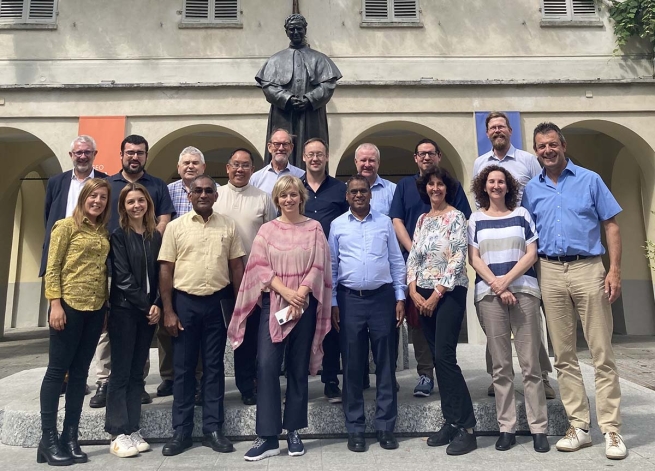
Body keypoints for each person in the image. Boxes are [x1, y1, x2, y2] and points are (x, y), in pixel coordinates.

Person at [522, 122, 626, 460]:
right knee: (564, 355)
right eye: (541, 146)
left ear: (563, 145)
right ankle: (579, 426)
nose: (547, 150)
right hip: (549, 270)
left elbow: (611, 225)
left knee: (601, 352)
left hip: (588, 267)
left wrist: (614, 270)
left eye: (552, 144)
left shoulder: (590, 179)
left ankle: (611, 429)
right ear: (536, 151)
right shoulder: (531, 189)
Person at [228, 175, 332, 461]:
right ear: (277, 199)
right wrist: (287, 293)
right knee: (266, 366)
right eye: (283, 195)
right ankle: (268, 436)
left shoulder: (314, 228)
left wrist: (301, 294)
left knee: (298, 368)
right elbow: (260, 267)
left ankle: (294, 431)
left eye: (293, 194)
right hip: (274, 304)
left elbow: (319, 264)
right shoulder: (267, 230)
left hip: (304, 305)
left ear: (301, 197)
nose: (288, 199)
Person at [158, 175, 245, 457]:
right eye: (198, 191)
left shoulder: (228, 225)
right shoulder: (175, 227)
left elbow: (236, 267)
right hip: (185, 303)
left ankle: (213, 429)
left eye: (209, 191)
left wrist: (238, 308)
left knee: (214, 368)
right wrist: (168, 310)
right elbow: (166, 269)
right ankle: (181, 431)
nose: (204, 195)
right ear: (190, 195)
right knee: (183, 369)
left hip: (217, 303)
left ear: (216, 196)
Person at [472, 112, 555, 400]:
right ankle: (497, 376)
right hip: (493, 247)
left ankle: (541, 376)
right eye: (492, 127)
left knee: (530, 318)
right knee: (493, 320)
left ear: (510, 130)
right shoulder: (480, 163)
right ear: (487, 133)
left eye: (502, 126)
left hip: (525, 241)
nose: (497, 130)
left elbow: (540, 193)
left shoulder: (528, 160)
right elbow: (480, 204)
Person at [468, 165, 549, 453]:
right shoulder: (475, 219)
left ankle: (539, 428)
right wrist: (497, 285)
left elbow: (531, 253)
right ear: (484, 186)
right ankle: (507, 428)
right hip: (489, 296)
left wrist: (507, 281)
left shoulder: (522, 214)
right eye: (491, 181)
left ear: (508, 186)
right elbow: (474, 258)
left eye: (501, 181)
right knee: (501, 367)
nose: (496, 185)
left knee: (530, 364)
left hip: (524, 292)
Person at [90, 134, 175, 409]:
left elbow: (164, 218)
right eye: (130, 152)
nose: (135, 157)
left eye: (140, 152)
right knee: (110, 329)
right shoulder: (108, 184)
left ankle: (136, 382)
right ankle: (105, 381)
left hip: (145, 259)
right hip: (110, 263)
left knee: (141, 330)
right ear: (121, 155)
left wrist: (147, 240)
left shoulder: (157, 185)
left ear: (146, 156)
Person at [328, 175, 406, 453]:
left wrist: (400, 296)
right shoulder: (337, 225)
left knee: (385, 363)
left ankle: (385, 427)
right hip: (349, 300)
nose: (359, 195)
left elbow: (396, 261)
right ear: (347, 196)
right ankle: (355, 428)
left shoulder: (384, 223)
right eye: (354, 192)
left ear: (370, 194)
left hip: (382, 299)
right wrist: (333, 302)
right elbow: (332, 266)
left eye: (363, 191)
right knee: (352, 364)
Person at [389, 138, 471, 398]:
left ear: (439, 156)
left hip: (446, 281)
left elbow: (461, 235)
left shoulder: (453, 192)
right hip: (418, 273)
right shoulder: (406, 188)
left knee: (444, 350)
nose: (426, 157)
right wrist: (415, 250)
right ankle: (425, 373)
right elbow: (397, 220)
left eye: (431, 153)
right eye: (421, 153)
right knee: (420, 330)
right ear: (415, 158)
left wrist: (437, 290)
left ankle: (454, 401)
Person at [38, 178, 112, 466]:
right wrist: (54, 304)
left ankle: (70, 436)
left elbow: (102, 271)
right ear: (83, 198)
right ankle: (48, 439)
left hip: (94, 309)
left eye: (103, 197)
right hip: (68, 307)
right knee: (58, 372)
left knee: (80, 374)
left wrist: (104, 309)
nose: (98, 201)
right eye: (93, 196)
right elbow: (53, 267)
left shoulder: (103, 231)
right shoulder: (65, 227)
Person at [406, 167, 476, 456]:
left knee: (446, 357)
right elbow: (413, 256)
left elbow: (458, 258)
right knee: (436, 358)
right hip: (422, 294)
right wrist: (412, 290)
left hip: (448, 293)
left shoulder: (456, 217)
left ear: (448, 189)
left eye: (440, 184)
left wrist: (436, 294)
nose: (435, 188)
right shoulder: (422, 219)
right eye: (431, 184)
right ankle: (451, 421)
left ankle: (467, 428)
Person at [214, 148, 277, 405]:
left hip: (254, 281)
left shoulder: (263, 198)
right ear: (227, 168)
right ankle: (213, 389)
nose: (240, 169)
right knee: (216, 337)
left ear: (253, 169)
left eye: (246, 165)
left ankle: (247, 385)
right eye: (236, 164)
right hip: (219, 278)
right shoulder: (215, 196)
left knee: (248, 337)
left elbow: (272, 237)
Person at [105, 183, 162, 458]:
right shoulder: (118, 236)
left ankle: (133, 428)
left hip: (148, 312)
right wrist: (146, 305)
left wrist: (158, 303)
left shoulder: (155, 236)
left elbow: (163, 273)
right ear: (123, 207)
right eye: (131, 202)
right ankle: (117, 433)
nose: (136, 205)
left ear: (148, 204)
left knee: (138, 371)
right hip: (125, 311)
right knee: (121, 372)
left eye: (141, 200)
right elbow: (123, 277)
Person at [255, 14, 342, 167]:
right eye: (292, 29)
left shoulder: (319, 59)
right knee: (281, 147)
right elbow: (268, 86)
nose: (295, 32)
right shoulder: (275, 60)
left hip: (312, 114)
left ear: (305, 30)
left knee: (313, 149)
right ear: (286, 32)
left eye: (299, 29)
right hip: (283, 113)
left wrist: (310, 99)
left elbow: (328, 85)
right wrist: (286, 98)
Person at [158, 146, 210, 400]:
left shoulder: (212, 192)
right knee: (167, 325)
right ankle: (169, 377)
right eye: (186, 163)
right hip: (172, 265)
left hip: (201, 266)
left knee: (196, 329)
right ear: (178, 168)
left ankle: (198, 377)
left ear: (203, 167)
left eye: (195, 163)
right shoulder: (167, 192)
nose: (190, 166)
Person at [301, 138, 348, 403]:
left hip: (331, 267)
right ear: (304, 157)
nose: (315, 158)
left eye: (319, 154)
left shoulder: (340, 189)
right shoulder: (296, 187)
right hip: (300, 267)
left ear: (327, 157)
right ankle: (298, 383)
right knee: (300, 326)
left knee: (331, 326)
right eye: (310, 154)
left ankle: (330, 381)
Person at [40, 135, 108, 278]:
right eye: (78, 152)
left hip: (92, 252)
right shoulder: (56, 182)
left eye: (87, 152)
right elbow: (48, 215)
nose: (83, 156)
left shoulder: (106, 181)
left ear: (95, 154)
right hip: (60, 249)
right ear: (71, 155)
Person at [249, 128, 305, 194]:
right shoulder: (256, 178)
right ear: (269, 147)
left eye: (285, 144)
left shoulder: (301, 176)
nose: (281, 148)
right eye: (277, 144)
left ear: (291, 147)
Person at [354, 143, 396, 216]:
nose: (367, 165)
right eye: (363, 160)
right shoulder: (345, 189)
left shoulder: (393, 190)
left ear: (378, 163)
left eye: (371, 160)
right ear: (356, 162)